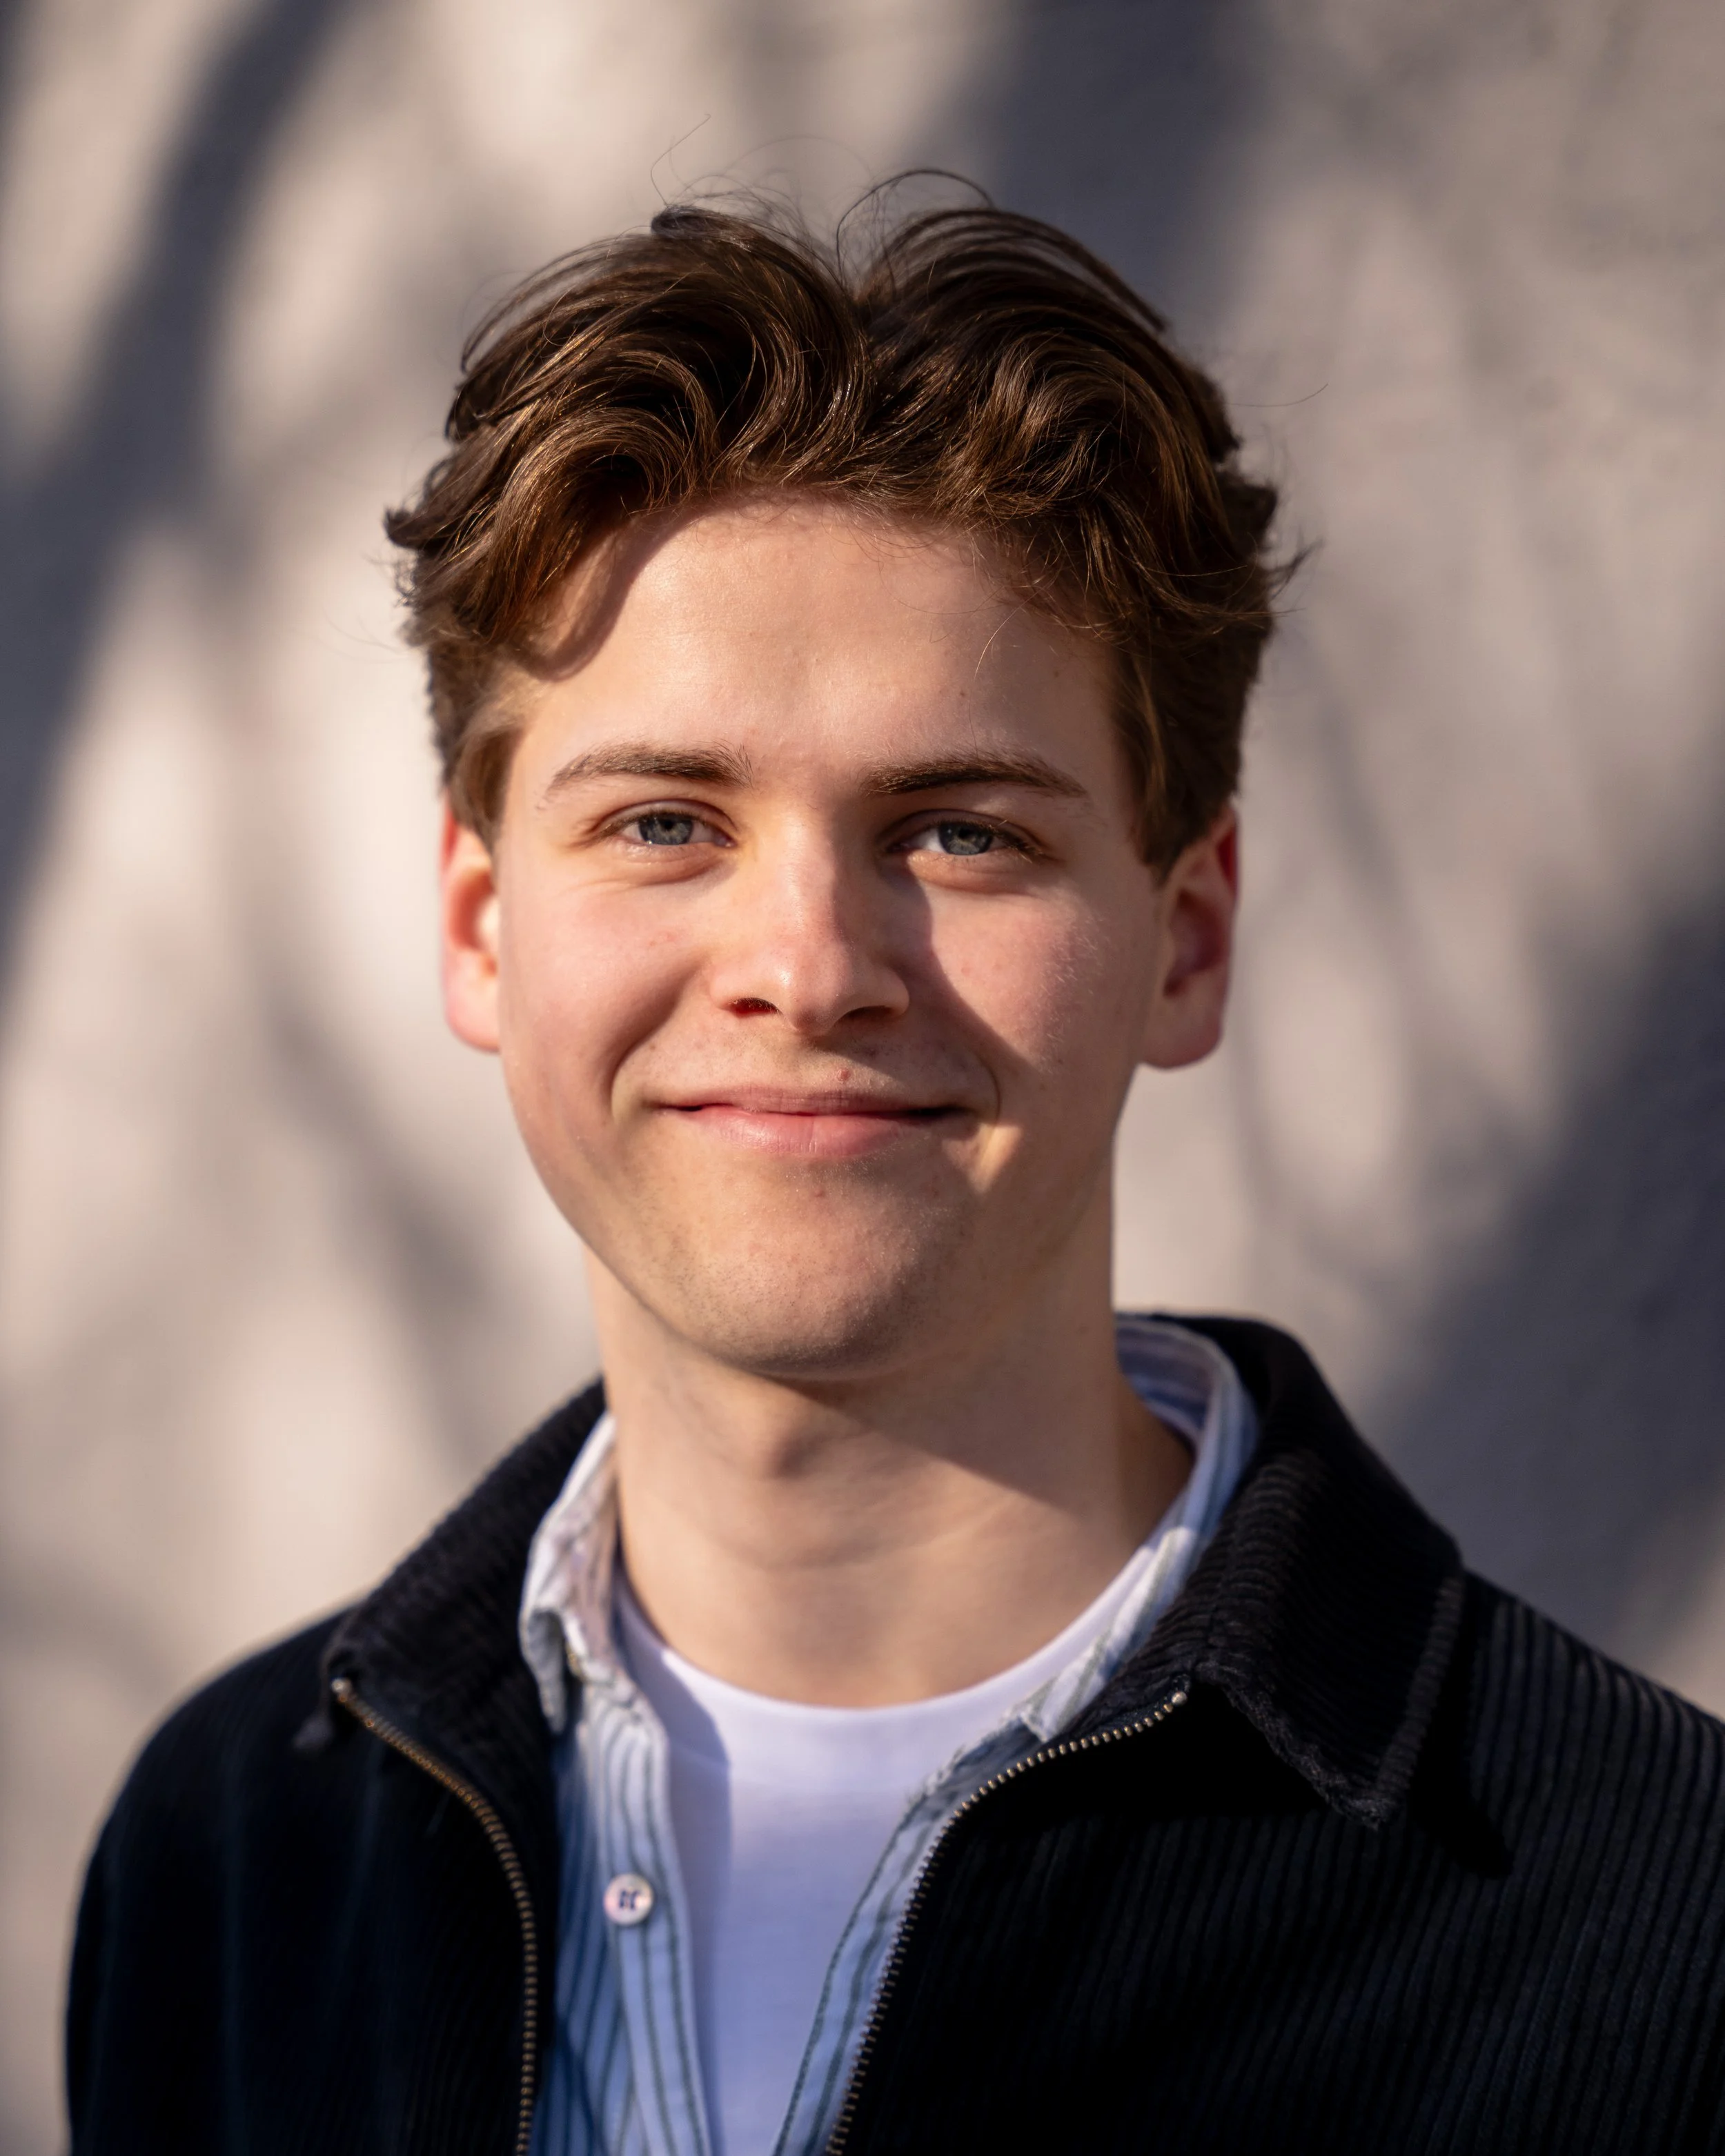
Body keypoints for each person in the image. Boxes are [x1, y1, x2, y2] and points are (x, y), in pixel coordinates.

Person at [66, 195, 1725, 2156]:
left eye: (955, 832)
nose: (811, 967)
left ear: (1183, 937)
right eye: (667, 818)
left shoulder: (1656, 1923)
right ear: (482, 928)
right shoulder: (242, 1853)